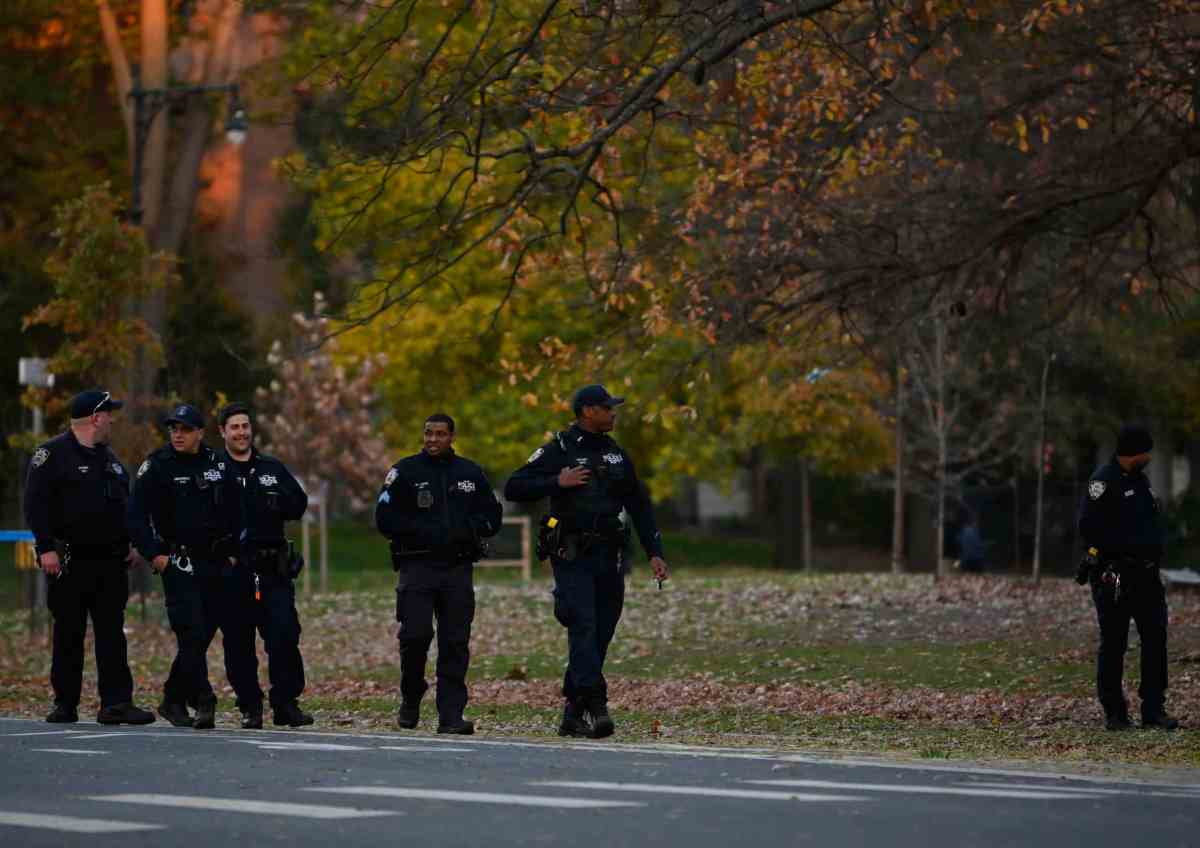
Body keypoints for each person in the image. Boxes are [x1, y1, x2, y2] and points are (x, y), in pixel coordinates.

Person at [504, 384, 669, 739]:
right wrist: (556, 481)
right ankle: (597, 704)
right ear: (587, 411)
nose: (614, 413)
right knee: (584, 626)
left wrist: (655, 551)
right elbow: (514, 486)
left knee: (601, 634)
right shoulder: (560, 449)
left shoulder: (616, 455)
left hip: (610, 556)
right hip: (572, 554)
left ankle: (572, 712)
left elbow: (639, 505)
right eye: (607, 408)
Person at [23, 389, 156, 725]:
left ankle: (115, 704)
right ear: (96, 417)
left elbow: (125, 507)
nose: (112, 419)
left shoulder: (110, 460)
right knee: (68, 634)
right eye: (109, 413)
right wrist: (45, 548)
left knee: (112, 634)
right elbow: (34, 505)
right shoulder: (52, 455)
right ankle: (65, 703)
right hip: (69, 561)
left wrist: (132, 543)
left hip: (110, 563)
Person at [127, 403, 255, 729]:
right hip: (177, 561)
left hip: (215, 562)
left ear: (200, 432)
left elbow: (238, 511)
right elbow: (135, 515)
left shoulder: (217, 464)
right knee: (191, 631)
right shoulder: (158, 465)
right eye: (173, 429)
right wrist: (153, 552)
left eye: (185, 429)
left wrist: (233, 553)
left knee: (200, 637)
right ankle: (204, 700)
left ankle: (172, 697)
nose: (178, 435)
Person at [375, 413, 502, 735]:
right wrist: (422, 532)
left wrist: (471, 530)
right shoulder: (405, 471)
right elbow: (384, 517)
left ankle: (451, 715)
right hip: (417, 567)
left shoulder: (469, 473)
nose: (433, 439)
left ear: (451, 436)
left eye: (440, 434)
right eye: (428, 433)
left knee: (455, 643)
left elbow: (492, 514)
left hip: (457, 569)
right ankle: (411, 694)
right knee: (415, 637)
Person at [217, 402, 313, 729]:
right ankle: (250, 706)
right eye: (235, 427)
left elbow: (298, 504)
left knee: (284, 635)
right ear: (223, 432)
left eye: (245, 426)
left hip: (272, 571)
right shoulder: (215, 469)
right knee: (239, 641)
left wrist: (277, 502)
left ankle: (286, 703)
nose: (242, 432)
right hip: (234, 572)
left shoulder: (271, 468)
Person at [1076, 423, 1178, 731]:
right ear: (1134, 453)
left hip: (1146, 575)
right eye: (1146, 451)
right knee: (1115, 642)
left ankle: (1153, 708)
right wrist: (1122, 550)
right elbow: (1089, 528)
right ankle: (1115, 712)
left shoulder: (1140, 480)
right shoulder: (1103, 483)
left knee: (1155, 639)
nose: (1149, 456)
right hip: (1115, 575)